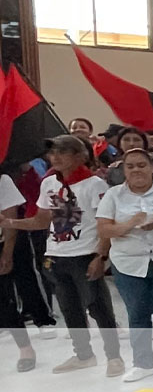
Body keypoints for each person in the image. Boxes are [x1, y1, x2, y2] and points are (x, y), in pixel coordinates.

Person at [0, 135, 122, 375]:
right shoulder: (49, 184)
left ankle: (113, 356)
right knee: (69, 308)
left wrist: (101, 256)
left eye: (62, 152)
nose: (54, 157)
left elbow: (105, 223)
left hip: (85, 253)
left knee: (98, 307)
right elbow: (42, 220)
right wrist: (9, 221)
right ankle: (83, 354)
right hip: (57, 253)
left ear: (80, 156)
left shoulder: (94, 184)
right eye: (52, 153)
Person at [95, 149, 153, 382]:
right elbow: (103, 229)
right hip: (128, 264)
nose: (136, 170)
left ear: (152, 167)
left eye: (141, 165)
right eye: (130, 166)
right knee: (137, 313)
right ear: (124, 170)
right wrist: (130, 224)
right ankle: (143, 363)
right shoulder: (113, 195)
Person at [0, 170, 37, 371]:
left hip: (2, 242)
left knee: (5, 301)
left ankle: (25, 348)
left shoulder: (3, 179)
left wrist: (7, 252)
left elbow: (10, 216)